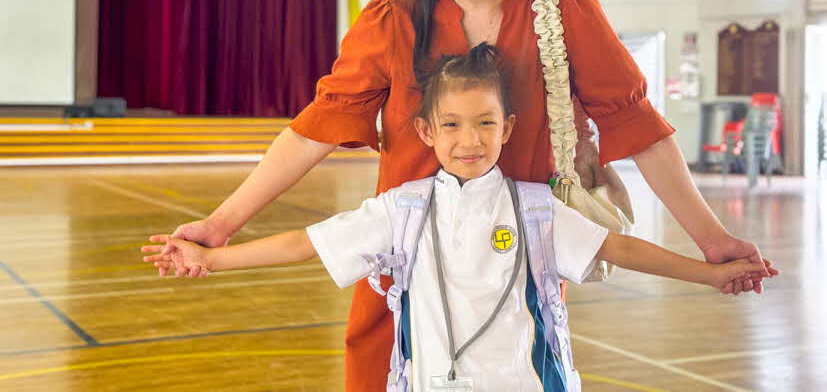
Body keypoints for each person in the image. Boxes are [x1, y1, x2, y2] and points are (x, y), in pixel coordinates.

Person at [158, 0, 772, 391]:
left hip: (515, 264)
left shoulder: (570, 16)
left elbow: (642, 133)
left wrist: (712, 240)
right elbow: (313, 130)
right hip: (404, 265)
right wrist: (220, 223)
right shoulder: (391, 22)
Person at [143, 45, 775, 392]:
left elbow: (621, 249)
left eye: (484, 124)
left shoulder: (535, 209)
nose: (468, 139)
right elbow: (305, 244)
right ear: (425, 131)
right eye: (451, 125)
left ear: (509, 129)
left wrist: (708, 273)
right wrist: (213, 255)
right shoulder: (403, 210)